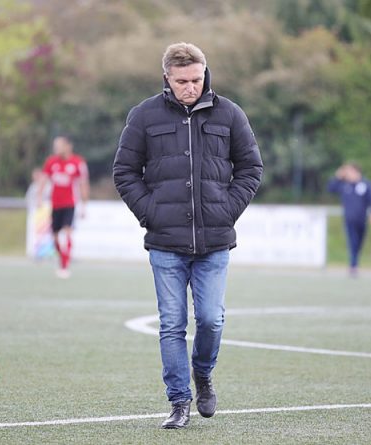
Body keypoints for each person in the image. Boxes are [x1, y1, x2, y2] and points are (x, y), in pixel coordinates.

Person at [113, 42, 263, 429]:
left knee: (211, 320)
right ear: (167, 77)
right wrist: (150, 214)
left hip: (214, 242)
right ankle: (179, 402)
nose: (190, 87)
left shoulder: (230, 114)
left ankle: (203, 374)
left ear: (205, 73)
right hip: (165, 243)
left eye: (196, 79)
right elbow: (125, 172)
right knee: (171, 324)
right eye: (182, 81)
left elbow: (250, 167)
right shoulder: (143, 116)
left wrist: (227, 210)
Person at [36, 135, 90, 279]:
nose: (56, 148)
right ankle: (62, 259)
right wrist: (39, 197)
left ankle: (65, 266)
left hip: (70, 204)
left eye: (58, 145)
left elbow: (83, 184)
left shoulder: (78, 162)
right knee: (54, 238)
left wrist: (84, 205)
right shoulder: (51, 162)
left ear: (68, 146)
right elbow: (43, 180)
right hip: (55, 205)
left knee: (67, 232)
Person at [327, 162, 371, 276]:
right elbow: (330, 188)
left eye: (350, 171)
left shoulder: (365, 184)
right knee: (352, 242)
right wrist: (337, 176)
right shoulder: (344, 185)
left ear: (357, 172)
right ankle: (353, 265)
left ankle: (354, 262)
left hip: (362, 219)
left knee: (359, 242)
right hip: (349, 220)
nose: (348, 174)